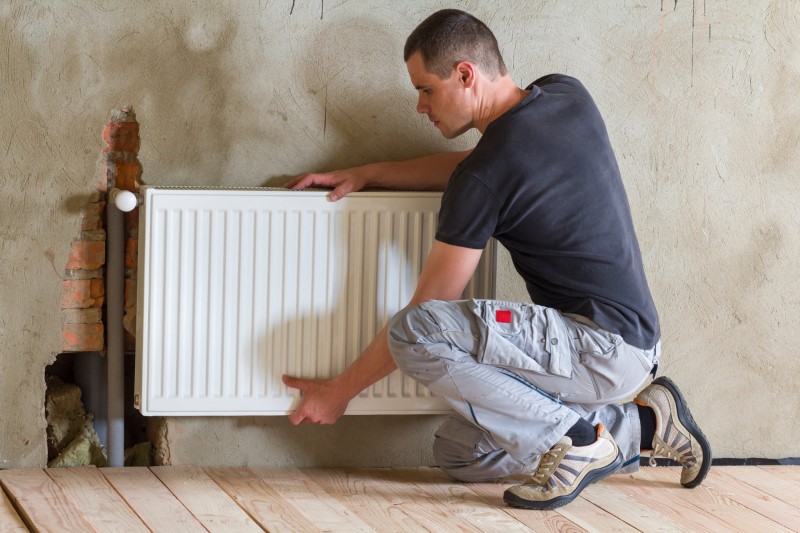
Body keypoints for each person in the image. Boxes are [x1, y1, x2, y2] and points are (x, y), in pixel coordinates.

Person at [283, 8, 711, 510]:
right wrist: (370, 172)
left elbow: (428, 310)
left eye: (425, 89)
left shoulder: (484, 178)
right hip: (633, 344)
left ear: (465, 74)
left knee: (414, 331)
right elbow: (484, 167)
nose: (420, 107)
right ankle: (646, 424)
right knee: (461, 453)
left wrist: (339, 391)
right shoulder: (565, 95)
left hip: (595, 347)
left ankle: (578, 442)